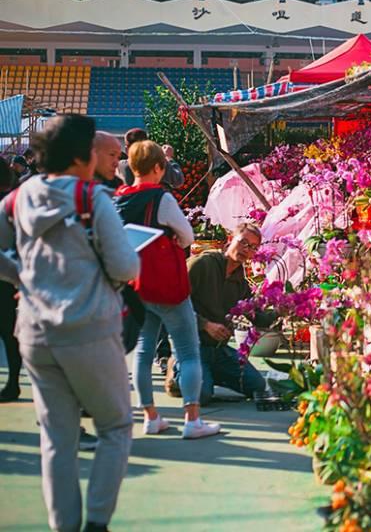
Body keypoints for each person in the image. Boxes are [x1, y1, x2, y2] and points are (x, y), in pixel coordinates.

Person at [0, 115, 140, 532]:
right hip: (89, 328)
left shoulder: (17, 198)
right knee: (115, 425)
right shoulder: (91, 198)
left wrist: (23, 275)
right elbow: (125, 263)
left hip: (34, 332)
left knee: (57, 439)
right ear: (84, 155)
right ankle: (97, 522)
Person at [114, 140, 220, 439]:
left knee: (143, 350)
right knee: (187, 351)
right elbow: (187, 236)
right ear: (159, 167)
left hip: (137, 284)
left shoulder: (118, 198)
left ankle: (150, 416)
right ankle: (193, 419)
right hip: (168, 287)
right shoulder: (161, 198)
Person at [169, 223, 267, 405]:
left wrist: (288, 306)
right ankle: (177, 368)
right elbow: (173, 302)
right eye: (243, 242)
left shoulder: (241, 284)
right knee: (201, 397)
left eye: (253, 247)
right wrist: (205, 324)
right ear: (230, 239)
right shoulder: (202, 264)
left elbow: (258, 317)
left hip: (218, 351)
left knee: (257, 386)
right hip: (190, 345)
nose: (246, 250)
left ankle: (207, 374)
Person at [0, 157, 21, 402]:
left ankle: (13, 382)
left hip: (7, 276)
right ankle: (14, 381)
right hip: (10, 278)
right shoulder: (14, 201)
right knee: (10, 334)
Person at [117, 128, 184, 190]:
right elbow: (178, 180)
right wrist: (168, 157)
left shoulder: (121, 166)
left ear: (126, 149)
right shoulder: (156, 165)